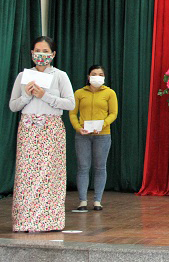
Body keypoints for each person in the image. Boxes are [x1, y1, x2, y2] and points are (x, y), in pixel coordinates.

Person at [8, 36, 75, 232]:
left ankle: (49, 221)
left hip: (51, 128)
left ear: (53, 54)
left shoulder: (60, 76)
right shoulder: (23, 75)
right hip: (28, 129)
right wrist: (27, 96)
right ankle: (25, 221)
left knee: (49, 175)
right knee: (27, 175)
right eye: (37, 50)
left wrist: (45, 96)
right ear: (31, 53)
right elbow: (13, 106)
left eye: (46, 51)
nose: (41, 55)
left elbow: (70, 103)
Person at [69, 65, 118, 212]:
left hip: (102, 135)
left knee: (100, 167)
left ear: (104, 77)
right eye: (94, 74)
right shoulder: (79, 93)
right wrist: (78, 128)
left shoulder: (110, 93)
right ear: (88, 77)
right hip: (83, 135)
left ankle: (97, 201)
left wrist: (103, 124)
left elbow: (113, 113)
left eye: (100, 74)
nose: (97, 76)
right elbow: (72, 113)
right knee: (83, 167)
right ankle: (82, 201)